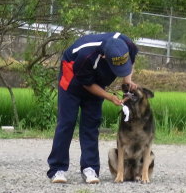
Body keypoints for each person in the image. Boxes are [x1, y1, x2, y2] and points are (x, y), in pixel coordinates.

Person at [46, 32, 138, 184]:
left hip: (97, 77)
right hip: (73, 76)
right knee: (67, 122)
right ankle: (57, 169)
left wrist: (127, 83)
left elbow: (129, 63)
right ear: (104, 56)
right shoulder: (86, 56)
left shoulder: (127, 45)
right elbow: (87, 84)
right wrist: (109, 97)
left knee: (92, 122)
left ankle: (90, 168)